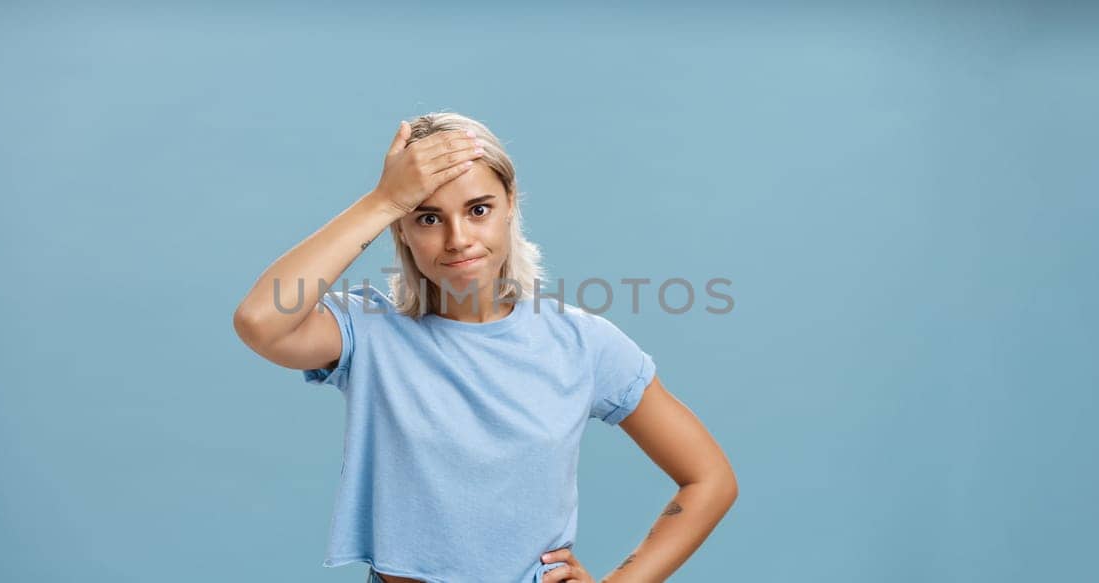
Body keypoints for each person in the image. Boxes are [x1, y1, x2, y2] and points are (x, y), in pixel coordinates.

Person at [232, 112, 738, 582]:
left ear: (510, 204)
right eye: (428, 217)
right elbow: (260, 322)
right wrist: (384, 199)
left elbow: (709, 479)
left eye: (478, 210)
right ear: (401, 230)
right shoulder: (368, 331)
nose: (457, 239)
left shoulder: (582, 343)